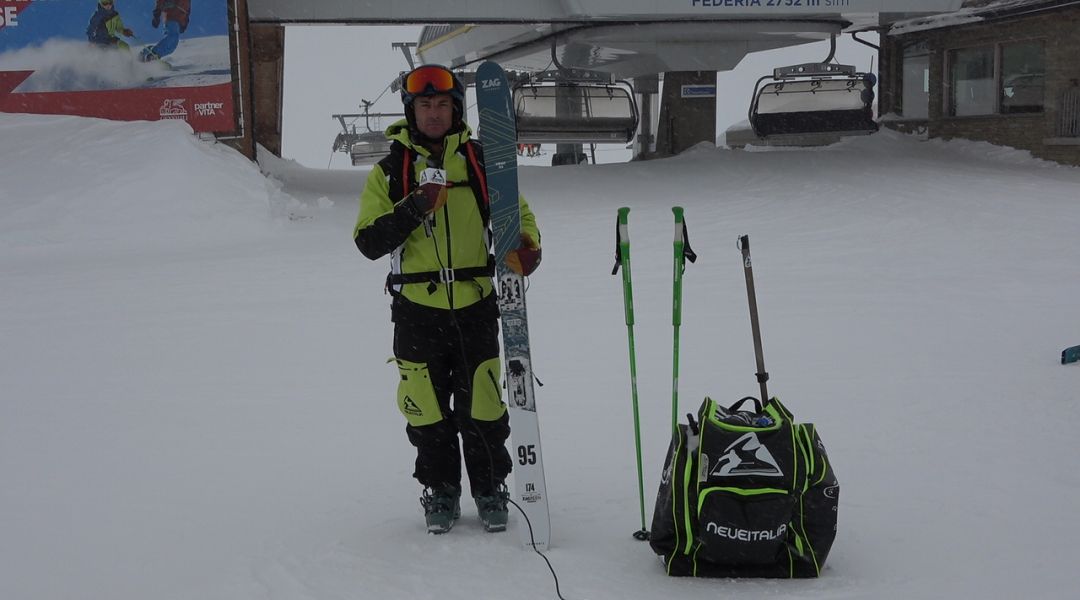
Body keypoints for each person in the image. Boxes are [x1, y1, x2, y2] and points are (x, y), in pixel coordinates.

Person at [353, 64, 542, 535]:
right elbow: (368, 241)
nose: (434, 113)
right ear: (411, 111)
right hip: (416, 311)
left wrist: (527, 247)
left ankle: (490, 487)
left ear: (456, 110)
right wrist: (417, 205)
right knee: (426, 408)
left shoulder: (482, 162)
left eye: (442, 104)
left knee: (484, 404)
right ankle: (441, 489)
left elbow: (518, 215)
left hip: (476, 305)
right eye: (424, 105)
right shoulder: (390, 171)